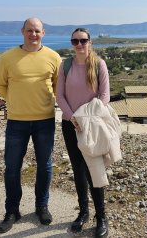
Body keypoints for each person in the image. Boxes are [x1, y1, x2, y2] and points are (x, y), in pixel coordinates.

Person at [0, 17, 61, 234]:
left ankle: (41, 206)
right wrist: (17, 101)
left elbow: (58, 86)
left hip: (45, 120)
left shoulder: (53, 57)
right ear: (22, 31)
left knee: (45, 166)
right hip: (16, 121)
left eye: (37, 31)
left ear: (44, 33)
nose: (33, 34)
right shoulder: (8, 57)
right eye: (29, 30)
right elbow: (0, 86)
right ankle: (12, 211)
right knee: (12, 168)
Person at [56, 27, 111, 238]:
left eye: (83, 40)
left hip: (92, 125)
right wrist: (73, 118)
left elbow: (104, 96)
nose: (79, 45)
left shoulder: (99, 64)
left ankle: (101, 216)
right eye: (75, 41)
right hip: (71, 125)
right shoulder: (66, 65)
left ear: (90, 42)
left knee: (94, 170)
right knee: (78, 171)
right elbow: (59, 95)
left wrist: (86, 119)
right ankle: (83, 213)